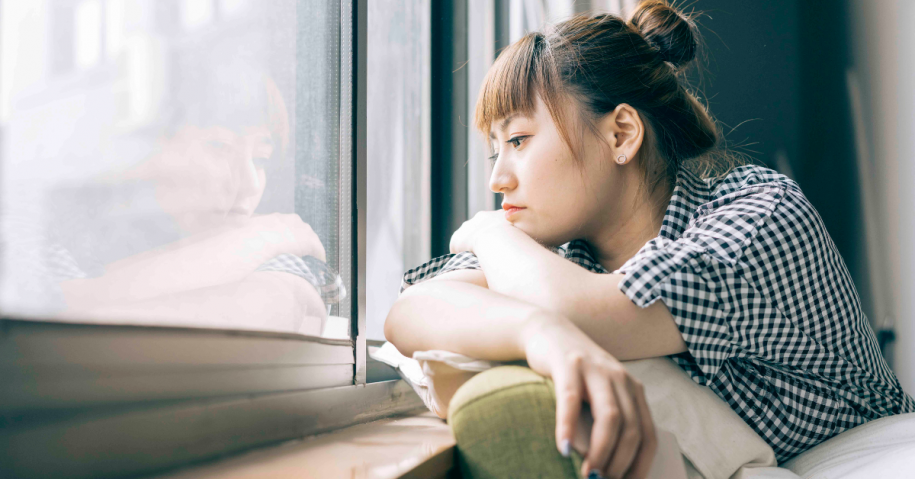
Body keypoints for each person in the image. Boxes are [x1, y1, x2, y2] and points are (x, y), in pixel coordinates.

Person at [383, 1, 915, 478]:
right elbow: (410, 312)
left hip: (869, 454)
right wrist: (538, 333)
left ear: (621, 134)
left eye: (518, 140)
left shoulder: (759, 213)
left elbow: (584, 308)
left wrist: (487, 230)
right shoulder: (557, 255)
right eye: (494, 150)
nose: (498, 179)